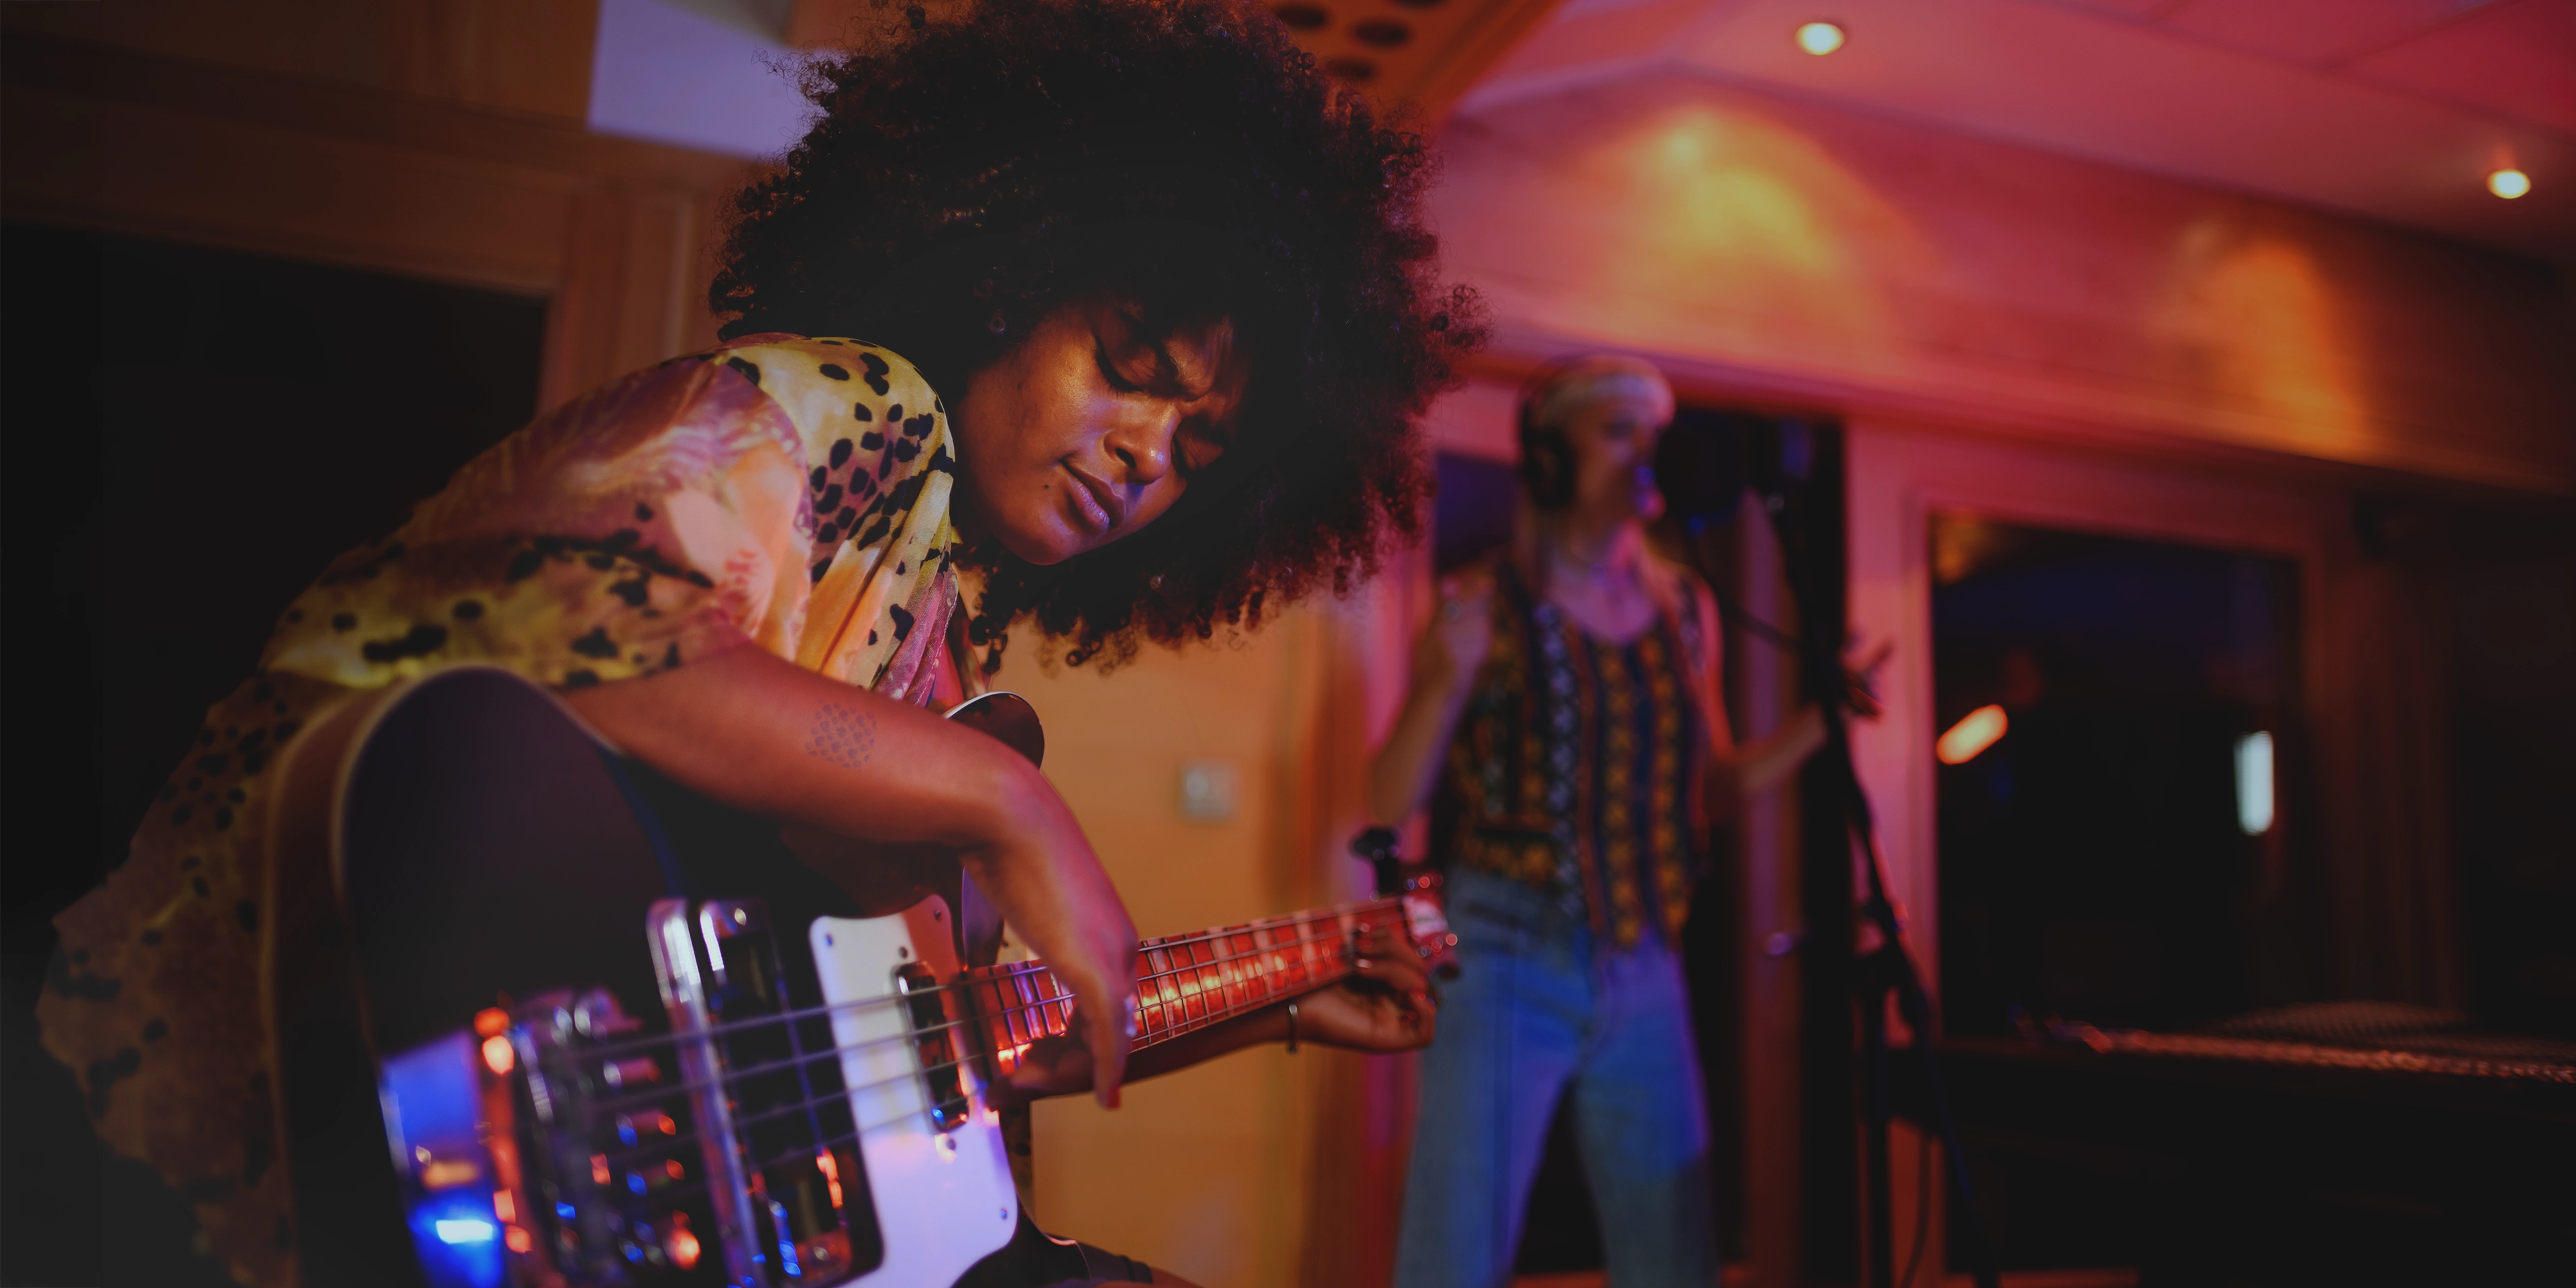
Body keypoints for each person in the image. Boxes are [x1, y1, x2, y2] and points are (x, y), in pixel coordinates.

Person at [35, 2, 1471, 1283]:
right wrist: (1011, 802)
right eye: (1130, 365)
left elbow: (902, 1057)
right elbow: (584, 628)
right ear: (1006, 285)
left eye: (1198, 455)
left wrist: (1277, 1003)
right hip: (245, 1073)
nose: (1149, 451)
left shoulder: (936, 630)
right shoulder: (864, 408)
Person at [1371, 356, 1826, 1287]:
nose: (1646, 452)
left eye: (1655, 434)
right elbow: (1383, 804)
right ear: (1549, 462)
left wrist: (1824, 723)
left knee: (1674, 1257)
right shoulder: (1483, 599)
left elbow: (1712, 787)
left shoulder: (1686, 608)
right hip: (1504, 958)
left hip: (1648, 957)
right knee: (1457, 1249)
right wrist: (1443, 682)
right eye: (1619, 431)